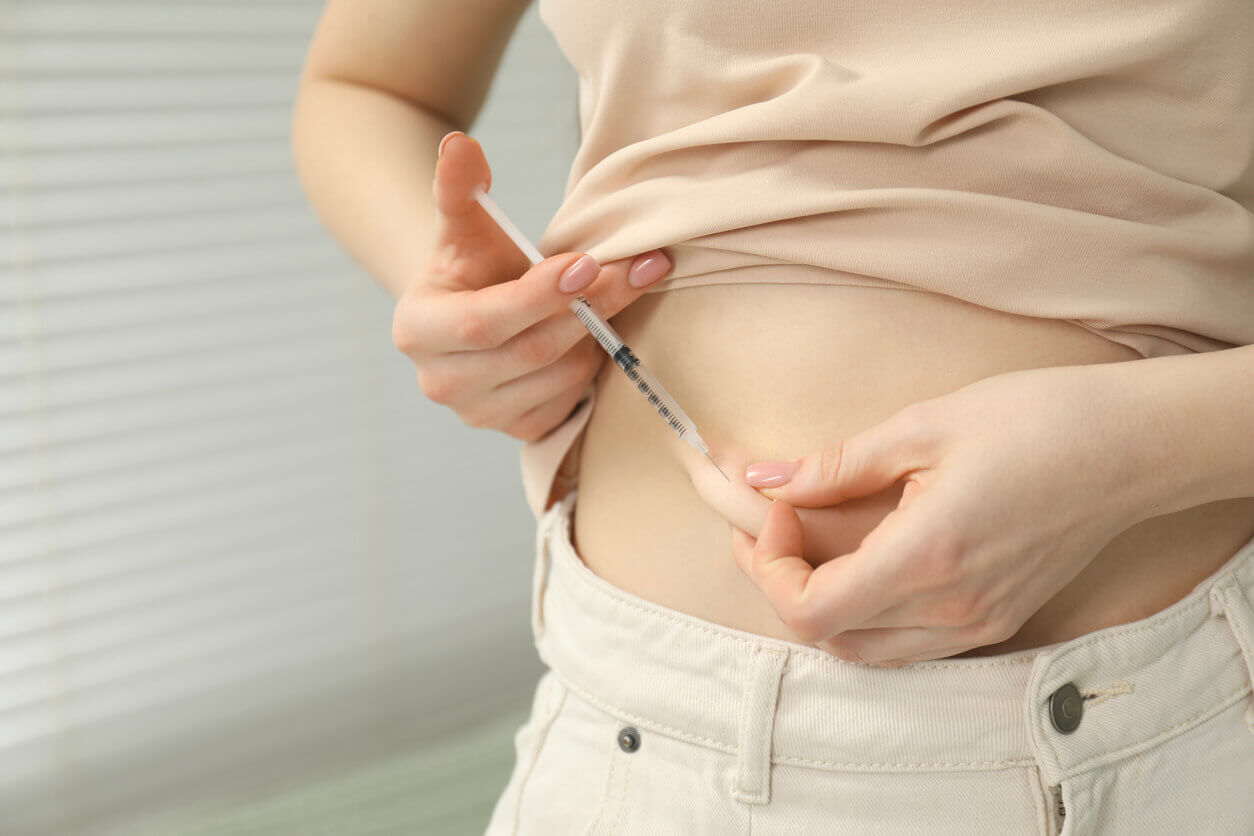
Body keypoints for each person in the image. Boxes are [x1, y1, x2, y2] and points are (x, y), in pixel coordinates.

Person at [290, 0, 1254, 831]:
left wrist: (1133, 452)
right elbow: (368, 85)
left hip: (1187, 735)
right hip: (650, 747)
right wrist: (472, 308)